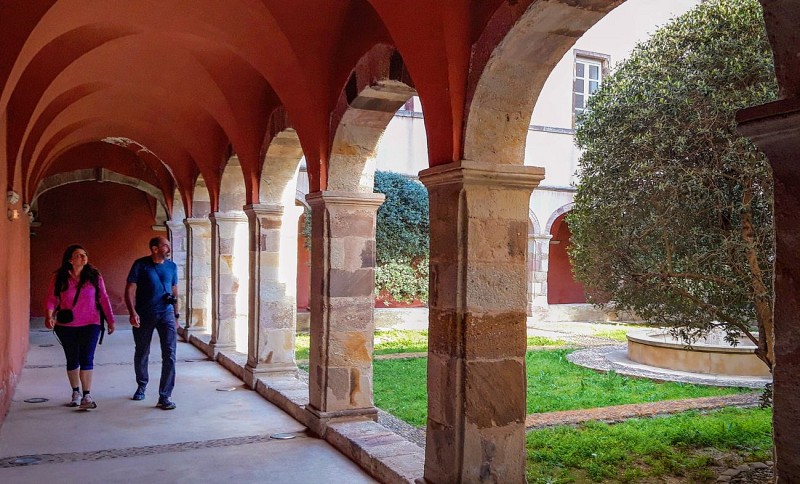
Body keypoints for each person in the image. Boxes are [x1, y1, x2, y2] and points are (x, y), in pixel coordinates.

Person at [45, 244, 116, 409]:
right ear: (70, 260)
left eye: (84, 254)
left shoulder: (94, 276)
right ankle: (75, 392)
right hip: (66, 325)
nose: (83, 257)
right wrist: (49, 316)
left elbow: (103, 298)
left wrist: (110, 320)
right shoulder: (59, 278)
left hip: (91, 323)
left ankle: (87, 395)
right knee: (72, 358)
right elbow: (52, 298)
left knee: (87, 357)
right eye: (78, 255)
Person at [125, 236, 180, 410]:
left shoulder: (172, 267)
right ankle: (142, 385)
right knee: (142, 351)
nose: (169, 249)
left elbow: (174, 290)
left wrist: (176, 315)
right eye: (165, 246)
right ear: (155, 249)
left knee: (170, 354)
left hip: (167, 315)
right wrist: (132, 312)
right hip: (144, 314)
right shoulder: (140, 264)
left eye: (169, 246)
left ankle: (165, 396)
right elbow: (130, 289)